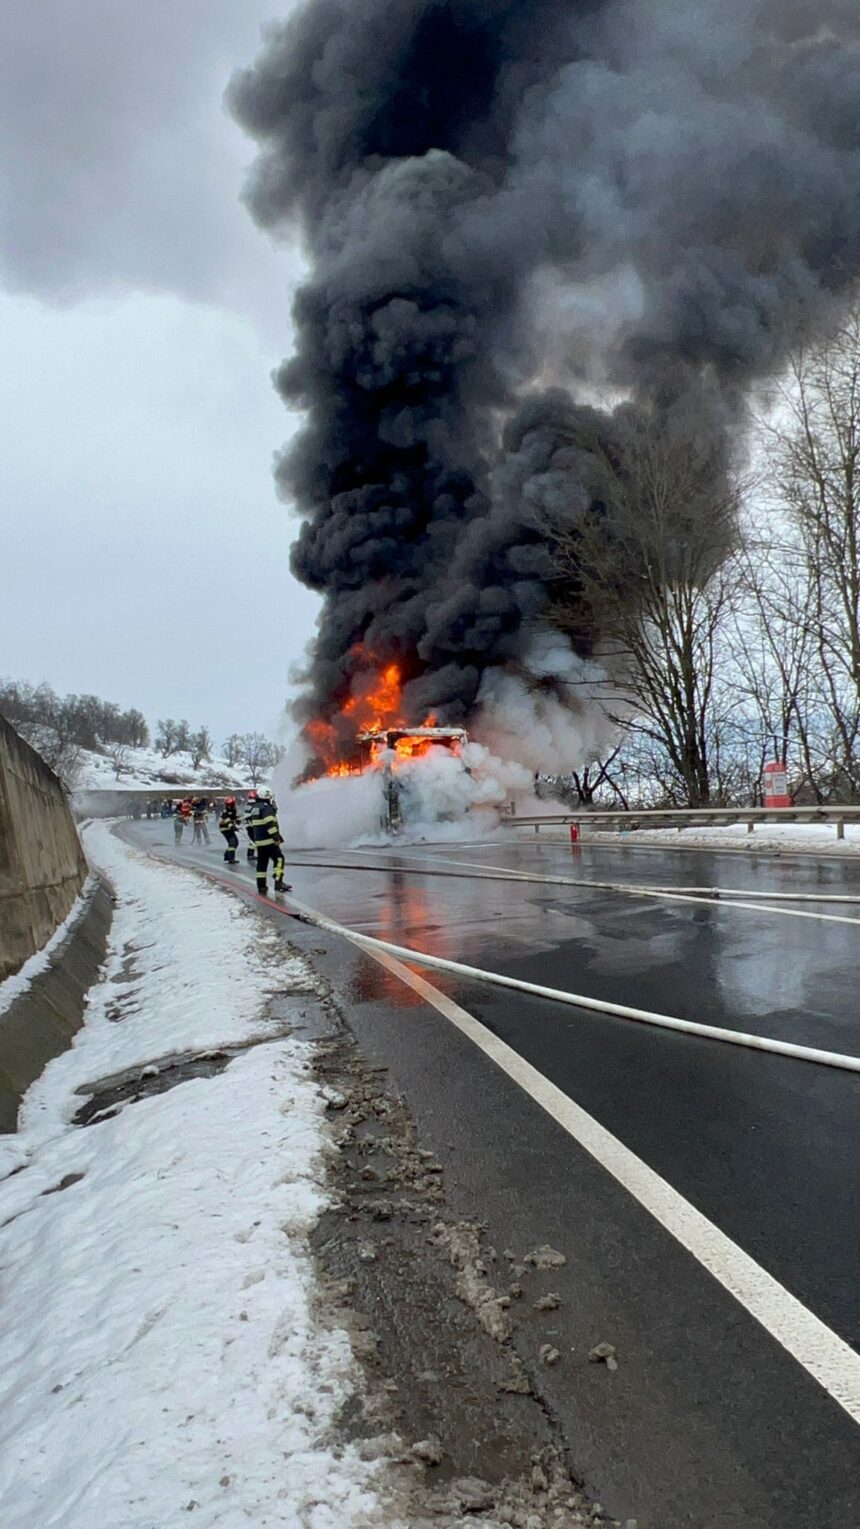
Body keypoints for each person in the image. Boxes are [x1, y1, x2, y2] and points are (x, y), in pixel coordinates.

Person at [246, 788, 290, 896]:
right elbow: (270, 823)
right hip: (269, 841)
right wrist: (276, 837)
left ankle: (261, 887)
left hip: (260, 842)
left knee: (262, 863)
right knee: (279, 859)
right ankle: (278, 883)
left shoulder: (255, 808)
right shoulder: (266, 808)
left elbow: (252, 825)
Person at [219, 797, 240, 865]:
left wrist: (238, 820)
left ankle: (227, 856)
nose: (229, 806)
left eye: (231, 805)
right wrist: (232, 826)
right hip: (225, 829)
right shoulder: (225, 812)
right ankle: (231, 859)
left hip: (230, 829)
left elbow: (234, 818)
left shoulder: (234, 810)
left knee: (236, 843)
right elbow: (227, 821)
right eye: (228, 805)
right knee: (232, 843)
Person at [244, 790, 258, 862]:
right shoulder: (255, 805)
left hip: (249, 826)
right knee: (254, 840)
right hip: (253, 826)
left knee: (253, 840)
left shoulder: (248, 805)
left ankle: (250, 854)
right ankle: (250, 854)